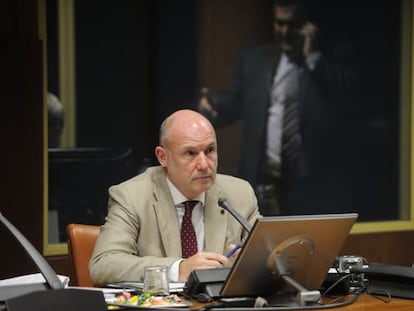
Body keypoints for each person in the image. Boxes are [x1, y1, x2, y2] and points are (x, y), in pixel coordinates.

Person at [198, 0, 360, 216]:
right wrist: (212, 111)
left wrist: (312, 57)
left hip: (310, 187)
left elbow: (347, 90)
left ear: (307, 26)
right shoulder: (255, 60)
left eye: (292, 25)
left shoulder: (325, 63)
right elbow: (236, 101)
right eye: (279, 23)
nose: (284, 32)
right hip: (262, 182)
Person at [89, 109, 260, 286]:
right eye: (190, 153)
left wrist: (249, 263)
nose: (203, 164)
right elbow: (103, 264)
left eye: (209, 150)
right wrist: (179, 269)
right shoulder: (132, 196)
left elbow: (272, 255)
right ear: (163, 157)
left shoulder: (239, 194)